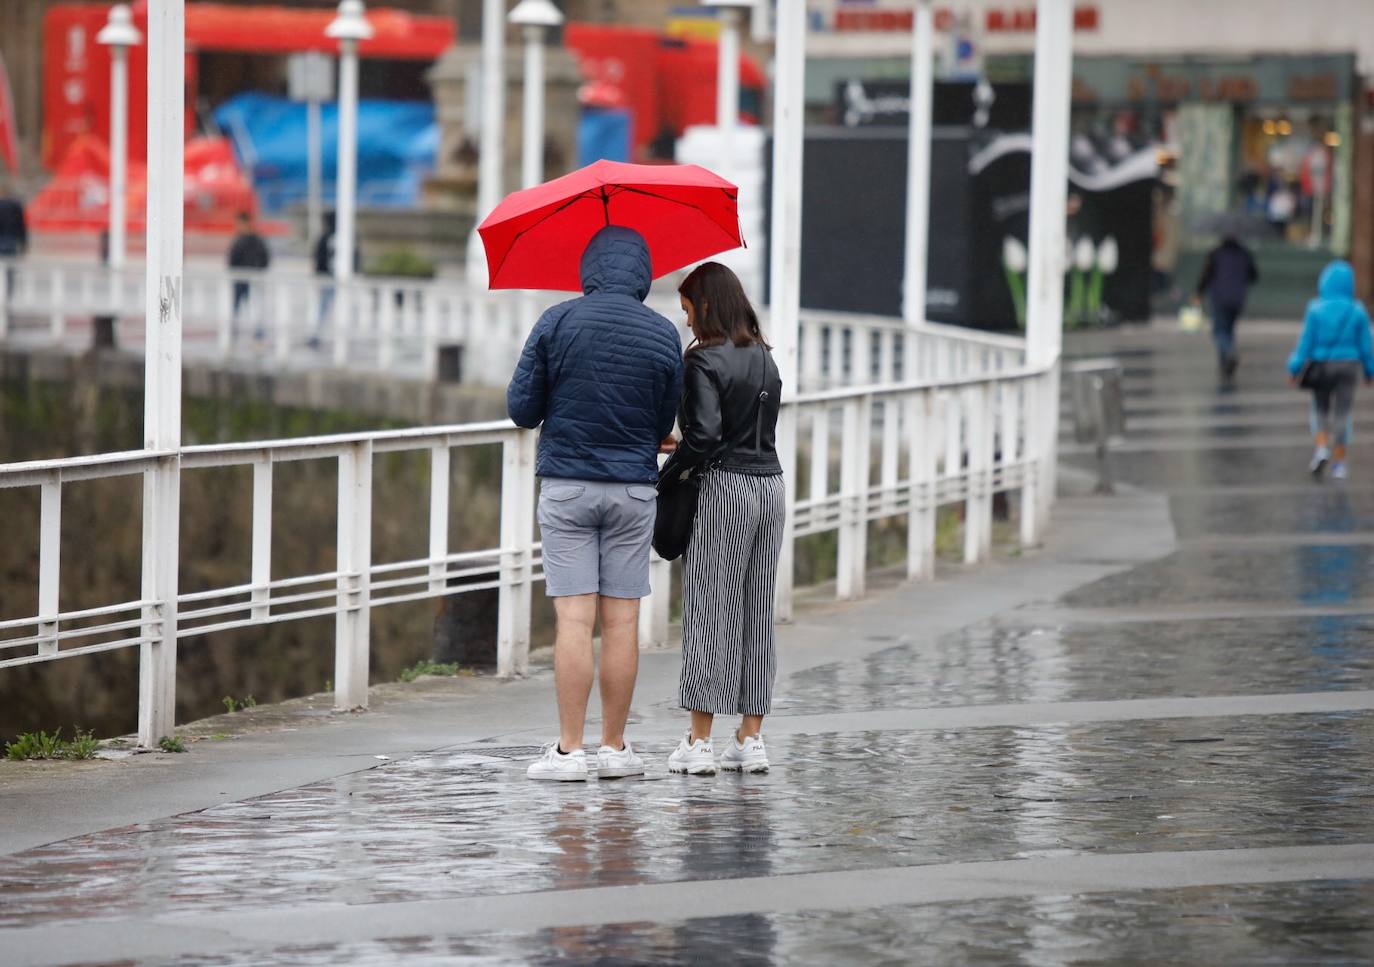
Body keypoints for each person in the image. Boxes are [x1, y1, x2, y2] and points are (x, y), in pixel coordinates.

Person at [508, 225, 683, 781]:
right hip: (633, 489)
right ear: (643, 274)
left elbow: (522, 409)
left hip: (568, 486)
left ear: (587, 269)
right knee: (623, 621)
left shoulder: (556, 321)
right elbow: (663, 420)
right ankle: (614, 749)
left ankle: (568, 752)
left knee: (574, 620)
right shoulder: (662, 332)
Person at [660, 262, 784, 776]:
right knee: (756, 610)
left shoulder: (702, 360)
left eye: (688, 310)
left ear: (706, 305)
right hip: (770, 486)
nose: (687, 321)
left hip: (726, 490)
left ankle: (699, 740)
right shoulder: (765, 356)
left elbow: (707, 436)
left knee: (710, 607)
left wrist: (669, 472)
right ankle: (750, 738)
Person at [1286, 260, 1374, 480]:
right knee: (1343, 413)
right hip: (1349, 366)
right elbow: (1366, 345)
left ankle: (1321, 447)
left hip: (1322, 365)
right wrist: (1369, 370)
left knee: (1320, 408)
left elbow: (1305, 343)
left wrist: (1294, 367)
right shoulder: (1357, 310)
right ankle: (1340, 462)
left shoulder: (1315, 309)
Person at [1193, 235, 1258, 383]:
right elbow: (1254, 276)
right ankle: (1225, 364)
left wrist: (1199, 292)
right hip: (1238, 299)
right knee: (1228, 330)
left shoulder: (1216, 253)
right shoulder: (1245, 254)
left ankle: (1228, 353)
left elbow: (1206, 275)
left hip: (1220, 298)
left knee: (1219, 331)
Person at [227, 211, 270, 335]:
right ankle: (234, 329)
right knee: (237, 305)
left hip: (253, 278)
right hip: (239, 279)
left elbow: (265, 258)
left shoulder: (256, 240)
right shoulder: (239, 239)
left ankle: (258, 331)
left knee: (255, 304)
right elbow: (232, 259)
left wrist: (257, 270)